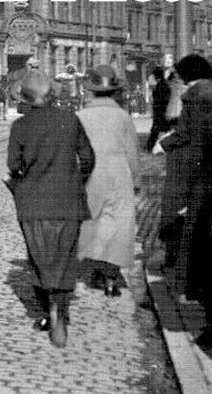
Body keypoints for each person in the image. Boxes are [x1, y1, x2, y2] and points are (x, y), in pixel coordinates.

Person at [5, 68, 95, 349]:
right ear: (52, 95)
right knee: (66, 258)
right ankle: (60, 311)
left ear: (25, 98)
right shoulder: (70, 119)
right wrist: (75, 181)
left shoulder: (20, 126)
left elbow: (14, 165)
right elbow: (88, 159)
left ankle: (48, 310)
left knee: (40, 258)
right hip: (68, 202)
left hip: (33, 204)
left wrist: (24, 174)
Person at [161, 53, 212, 348]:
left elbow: (184, 131)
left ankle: (190, 288)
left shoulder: (193, 95)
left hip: (197, 170)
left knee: (193, 232)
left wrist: (163, 143)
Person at [76, 65, 140, 297]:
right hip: (118, 173)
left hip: (91, 173)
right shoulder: (123, 117)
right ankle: (111, 277)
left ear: (90, 90)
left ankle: (95, 267)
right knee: (117, 222)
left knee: (93, 221)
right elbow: (132, 152)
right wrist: (135, 179)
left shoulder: (81, 116)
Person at [146, 68, 172, 152]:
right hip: (163, 110)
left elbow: (159, 99)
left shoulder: (160, 86)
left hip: (160, 111)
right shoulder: (165, 85)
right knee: (162, 129)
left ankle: (151, 146)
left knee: (157, 130)